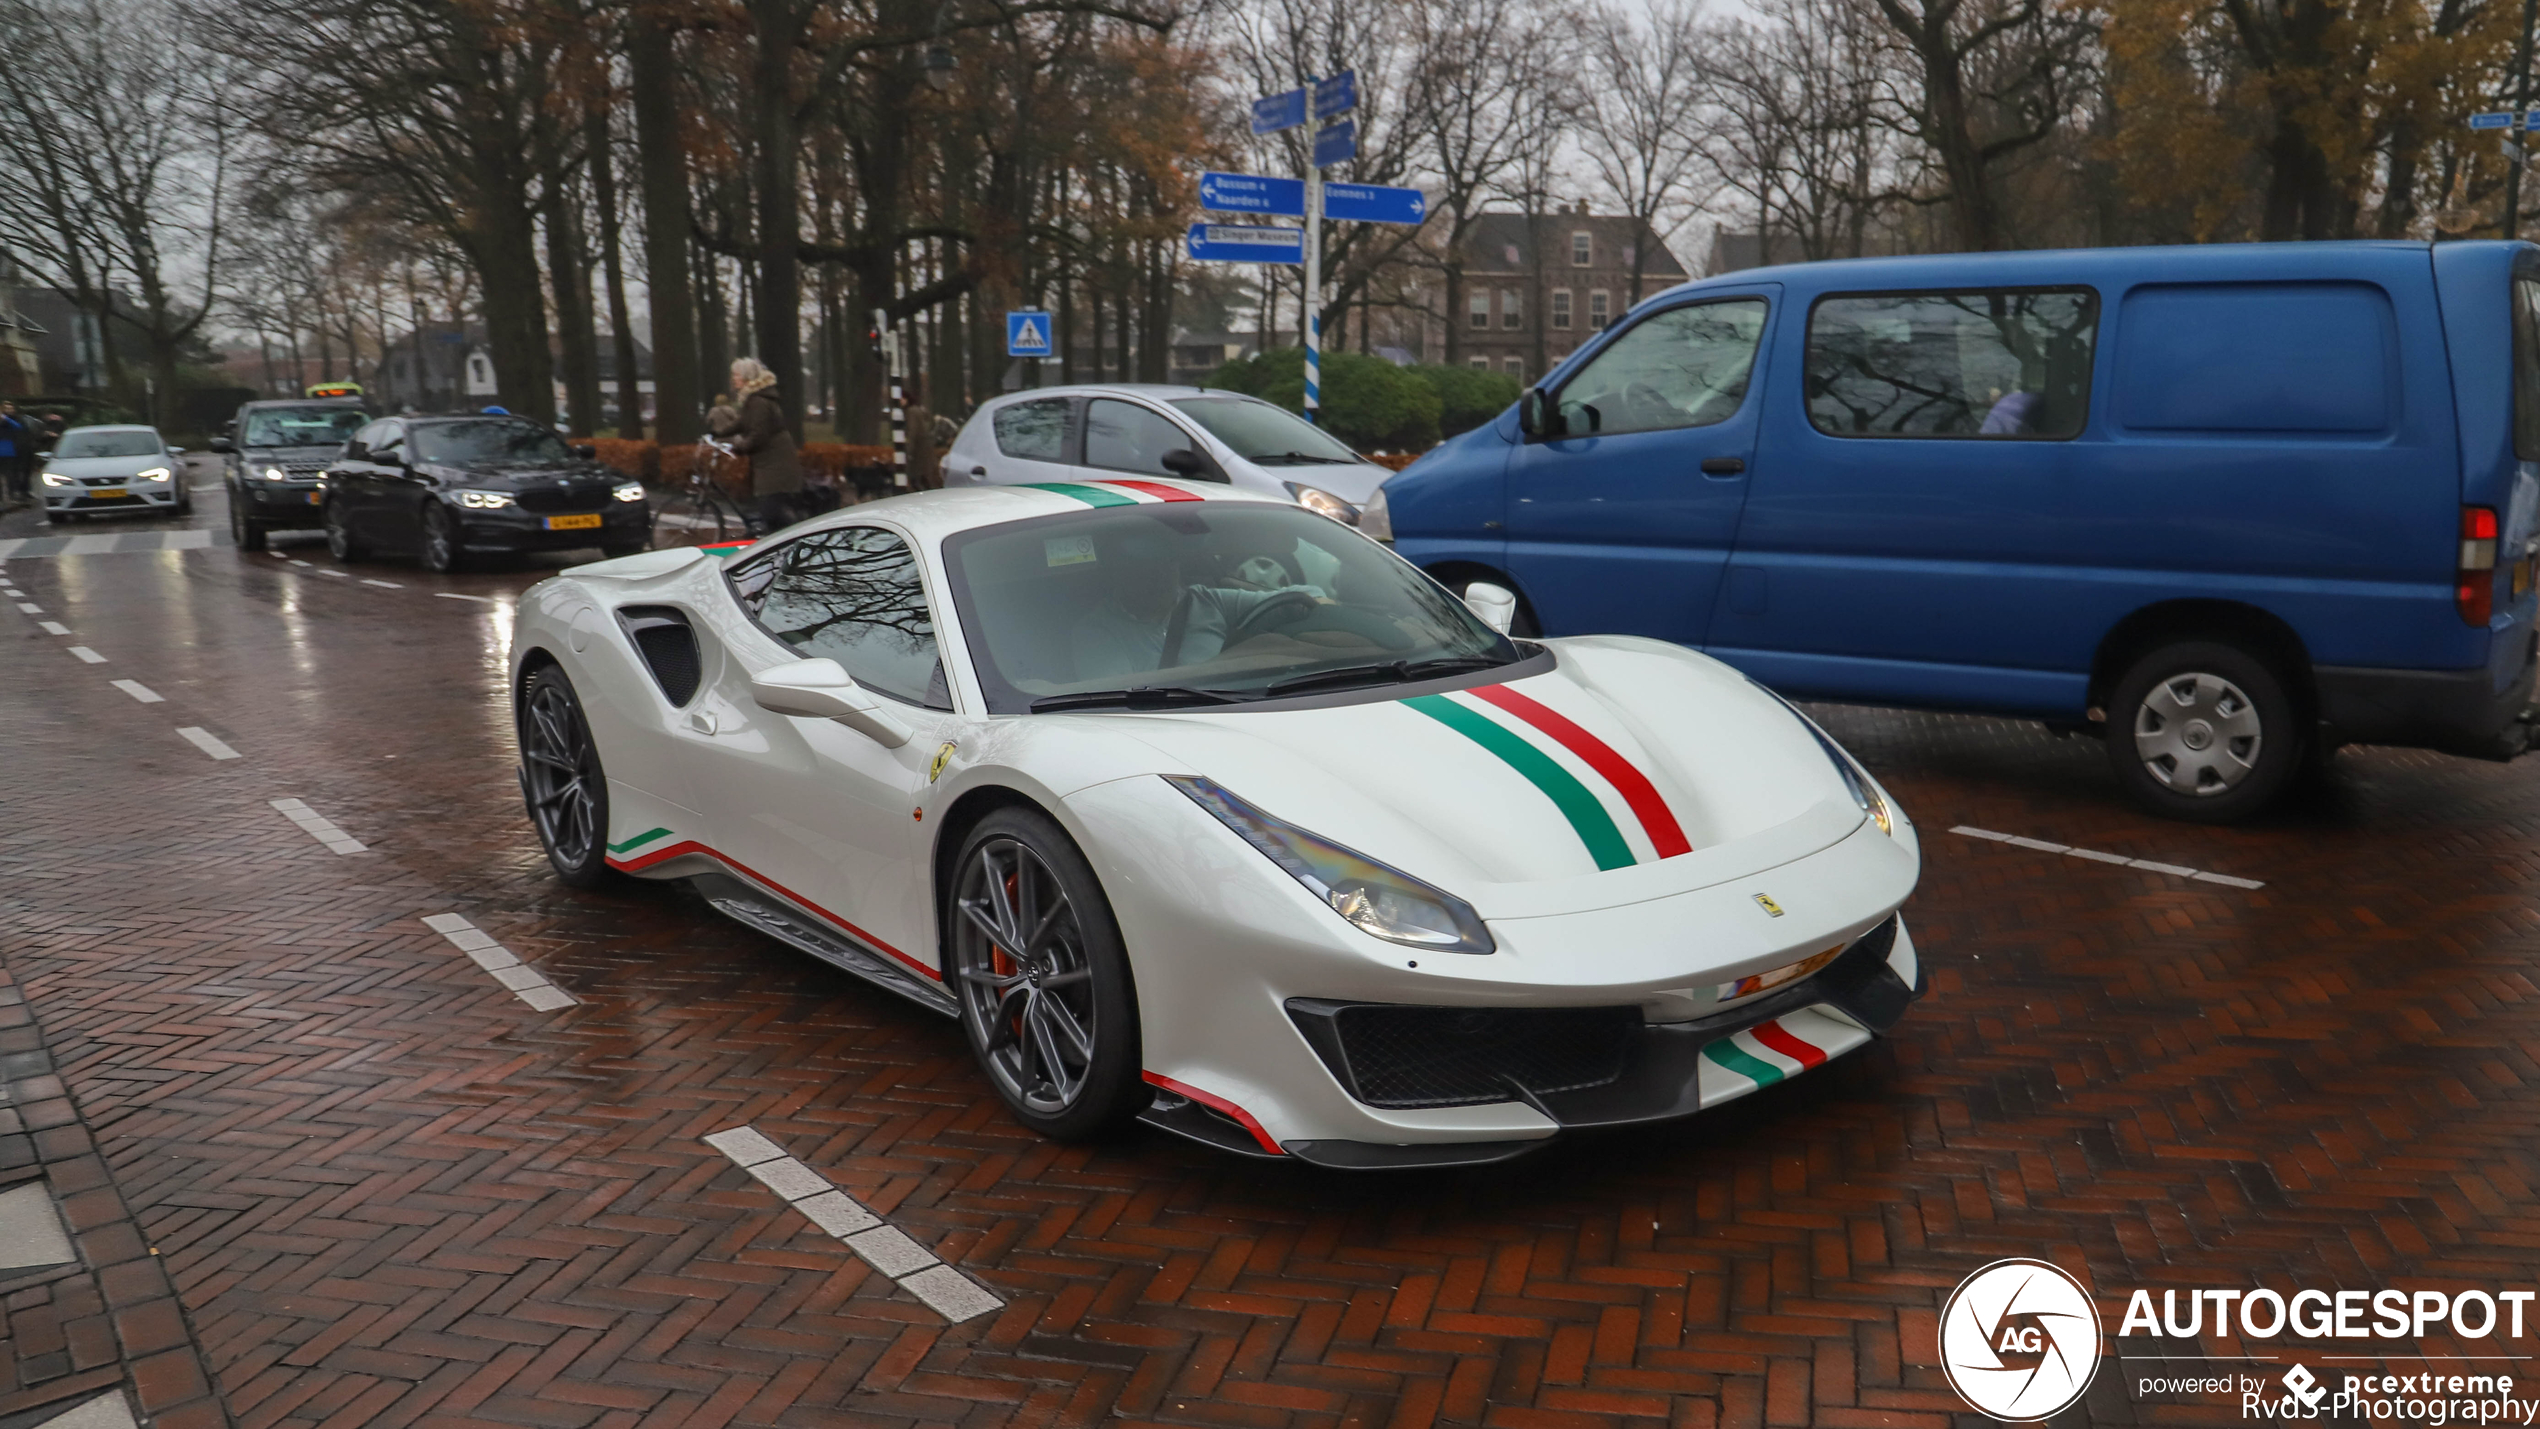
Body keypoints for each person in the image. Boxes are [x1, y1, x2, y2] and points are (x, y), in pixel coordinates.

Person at [727, 358, 803, 535]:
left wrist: (739, 446)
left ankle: (800, 540)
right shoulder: (754, 400)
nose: (733, 378)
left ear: (746, 377)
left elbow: (758, 435)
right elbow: (741, 423)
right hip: (770, 464)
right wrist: (717, 432)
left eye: (736, 375)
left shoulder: (758, 402)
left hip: (775, 466)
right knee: (770, 513)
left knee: (772, 512)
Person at [0, 401, 29, 506]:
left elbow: (18, 427)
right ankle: (3, 498)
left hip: (8, 450)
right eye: (6, 408)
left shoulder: (10, 420)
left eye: (10, 408)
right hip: (3, 448)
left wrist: (5, 418)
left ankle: (12, 494)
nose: (9, 410)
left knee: (9, 474)